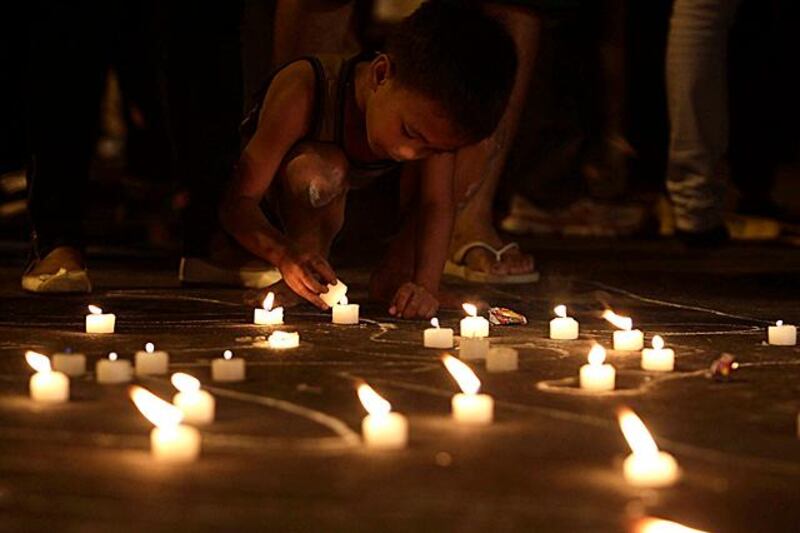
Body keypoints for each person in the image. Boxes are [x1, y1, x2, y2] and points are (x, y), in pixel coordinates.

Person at [220, 1, 517, 319]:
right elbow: (238, 202)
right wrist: (284, 254)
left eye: (430, 149)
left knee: (476, 151)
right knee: (318, 172)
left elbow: (435, 203)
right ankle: (310, 274)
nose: (409, 152)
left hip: (378, 211)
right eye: (408, 132)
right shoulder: (307, 88)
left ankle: (396, 275)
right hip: (296, 211)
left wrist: (426, 286)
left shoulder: (429, 128)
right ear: (380, 74)